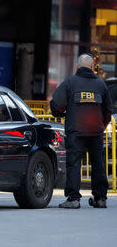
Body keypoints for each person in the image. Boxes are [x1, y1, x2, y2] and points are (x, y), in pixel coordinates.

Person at [50, 53, 111, 209]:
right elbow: (108, 111)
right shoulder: (101, 85)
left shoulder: (69, 83)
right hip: (96, 132)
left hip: (75, 131)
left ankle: (73, 199)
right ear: (92, 67)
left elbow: (56, 104)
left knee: (74, 164)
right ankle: (100, 198)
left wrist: (62, 113)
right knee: (98, 164)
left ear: (77, 66)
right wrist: (100, 126)